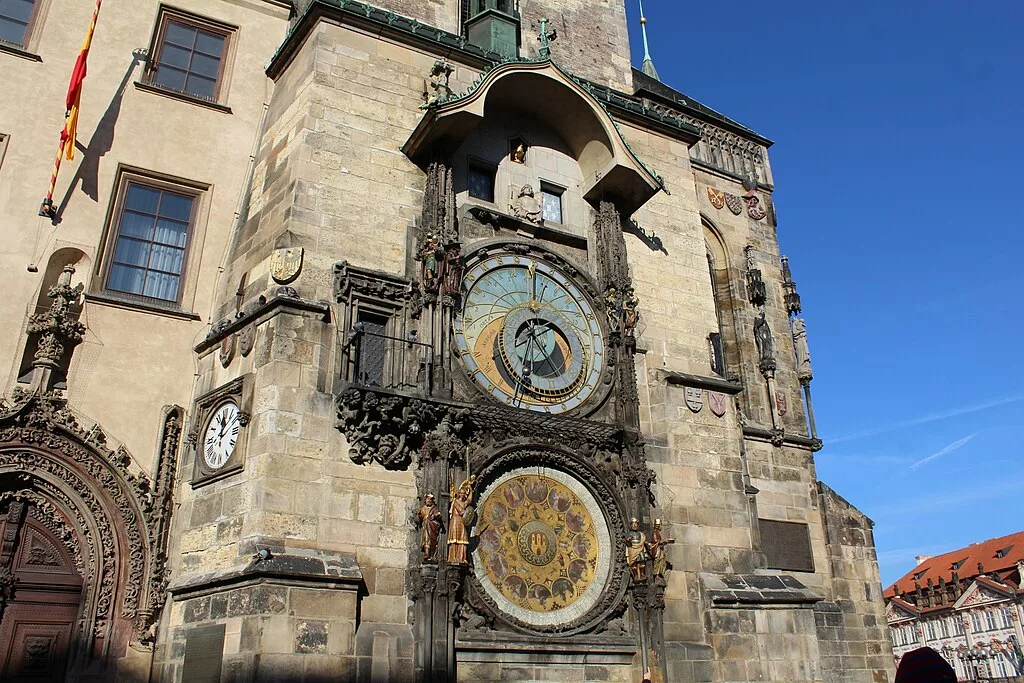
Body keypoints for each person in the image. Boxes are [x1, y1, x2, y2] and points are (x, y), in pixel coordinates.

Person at [447, 475, 476, 565]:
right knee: (455, 539)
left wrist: (470, 489)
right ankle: (453, 557)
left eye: (464, 493)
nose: (462, 495)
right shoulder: (455, 502)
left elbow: (470, 500)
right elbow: (461, 511)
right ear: (459, 494)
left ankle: (461, 557)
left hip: (462, 521)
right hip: (455, 521)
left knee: (463, 539)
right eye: (461, 493)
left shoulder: (464, 502)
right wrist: (469, 513)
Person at [417, 494, 442, 561]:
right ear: (425, 500)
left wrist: (436, 515)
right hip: (425, 526)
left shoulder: (434, 508)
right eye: (428, 499)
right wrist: (419, 515)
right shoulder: (423, 508)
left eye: (430, 499)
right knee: (426, 540)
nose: (429, 501)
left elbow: (439, 516)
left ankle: (432, 554)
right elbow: (419, 520)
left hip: (432, 526)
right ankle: (427, 554)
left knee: (432, 540)